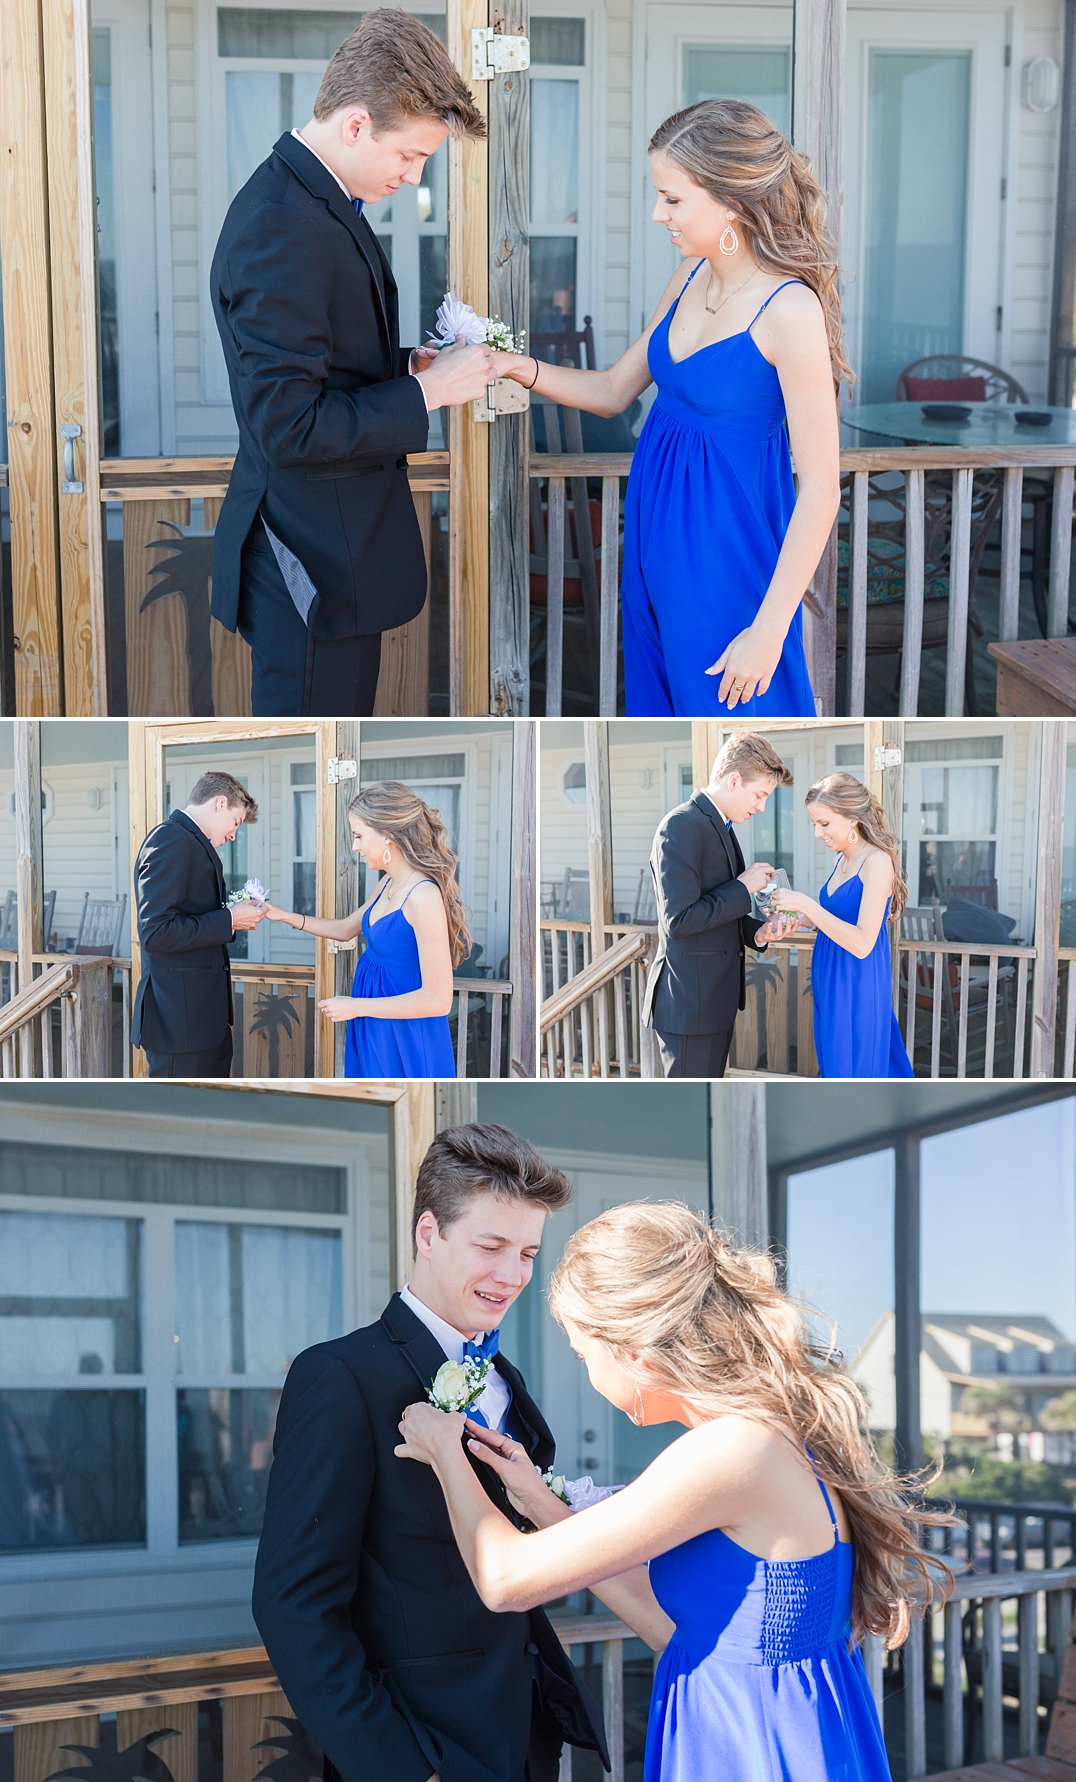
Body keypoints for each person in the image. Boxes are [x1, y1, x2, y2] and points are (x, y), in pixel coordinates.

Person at [398, 1201, 949, 1782]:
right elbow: (676, 1631)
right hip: (750, 1733)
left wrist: (444, 1448)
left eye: (586, 1355)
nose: (589, 1375)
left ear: (635, 1351)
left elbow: (505, 1579)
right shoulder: (768, 1437)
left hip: (754, 1755)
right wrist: (539, 1502)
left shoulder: (732, 1451)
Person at [252, 1123, 611, 1782]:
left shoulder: (506, 1378)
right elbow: (291, 1604)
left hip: (526, 1745)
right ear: (427, 1232)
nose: (513, 1275)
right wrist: (405, 1779)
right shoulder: (339, 1376)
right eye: (491, 1245)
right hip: (423, 1753)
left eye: (529, 1252)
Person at [489, 99, 847, 717]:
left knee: (733, 722)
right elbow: (611, 392)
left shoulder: (790, 310)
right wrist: (514, 365)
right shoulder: (686, 280)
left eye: (673, 199)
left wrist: (766, 631)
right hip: (654, 548)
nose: (659, 215)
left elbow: (821, 489)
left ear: (731, 199)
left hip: (728, 563)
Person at [209, 11, 495, 716]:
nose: (415, 174)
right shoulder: (283, 222)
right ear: (357, 124)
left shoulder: (318, 202)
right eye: (412, 154)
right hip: (307, 564)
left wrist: (406, 367)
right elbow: (288, 425)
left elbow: (321, 364)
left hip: (330, 555)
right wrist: (427, 394)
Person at [262, 782, 462, 1077]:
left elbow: (438, 1000)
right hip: (374, 1023)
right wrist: (284, 916)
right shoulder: (386, 884)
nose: (355, 847)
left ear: (388, 836)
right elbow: (345, 929)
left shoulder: (423, 897)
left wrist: (356, 1006)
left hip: (406, 1031)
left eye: (358, 836)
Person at [642, 731, 797, 1078]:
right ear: (734, 780)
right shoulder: (680, 826)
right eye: (759, 795)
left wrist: (760, 933)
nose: (760, 807)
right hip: (689, 1004)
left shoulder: (722, 827)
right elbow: (679, 920)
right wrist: (743, 887)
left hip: (712, 1004)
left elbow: (723, 910)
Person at [778, 773, 915, 1078]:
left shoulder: (877, 862)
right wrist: (799, 919)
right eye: (814, 824)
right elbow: (837, 921)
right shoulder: (841, 859)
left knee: (853, 1067)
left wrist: (805, 903)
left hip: (856, 982)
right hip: (830, 980)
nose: (817, 833)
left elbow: (864, 942)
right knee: (834, 1063)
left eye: (824, 823)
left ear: (853, 819)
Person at [131, 771, 267, 1078]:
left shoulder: (188, 841)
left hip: (204, 1023)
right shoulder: (169, 839)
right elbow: (155, 932)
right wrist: (230, 918)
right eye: (236, 822)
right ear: (220, 803)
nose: (234, 835)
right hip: (180, 1026)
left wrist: (232, 918)